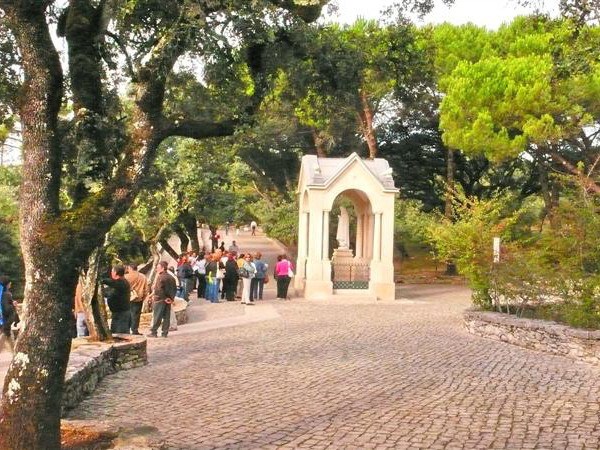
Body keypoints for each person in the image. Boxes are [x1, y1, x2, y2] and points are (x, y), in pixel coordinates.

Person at [147, 261, 177, 338]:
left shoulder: (160, 277)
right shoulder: (171, 277)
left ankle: (154, 332)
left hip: (160, 299)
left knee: (157, 316)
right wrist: (171, 298)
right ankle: (164, 333)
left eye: (158, 268)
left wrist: (165, 298)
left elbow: (158, 290)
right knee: (166, 317)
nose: (157, 269)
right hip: (168, 300)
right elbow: (174, 289)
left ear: (163, 268)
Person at [103, 265, 131, 334]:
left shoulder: (122, 283)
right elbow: (108, 293)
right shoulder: (116, 284)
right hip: (116, 313)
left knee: (121, 334)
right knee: (115, 333)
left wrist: (102, 280)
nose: (111, 273)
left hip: (122, 314)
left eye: (112, 271)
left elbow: (111, 282)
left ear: (115, 273)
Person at [125, 263, 149, 335]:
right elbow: (146, 289)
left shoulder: (126, 277)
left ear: (130, 268)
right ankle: (135, 330)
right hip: (138, 298)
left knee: (128, 314)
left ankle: (127, 329)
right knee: (136, 315)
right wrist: (144, 297)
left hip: (128, 298)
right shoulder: (143, 276)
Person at [0, 276, 18, 352]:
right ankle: (16, 359)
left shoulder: (3, 294)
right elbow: (6, 309)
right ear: (7, 284)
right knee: (6, 338)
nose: (11, 283)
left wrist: (12, 303)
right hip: (7, 323)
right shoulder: (6, 294)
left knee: (11, 344)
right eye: (9, 282)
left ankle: (16, 359)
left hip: (5, 323)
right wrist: (13, 305)